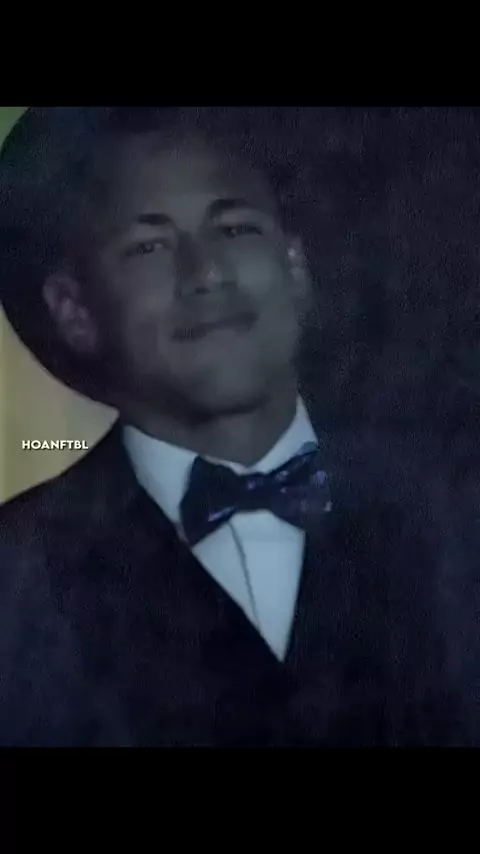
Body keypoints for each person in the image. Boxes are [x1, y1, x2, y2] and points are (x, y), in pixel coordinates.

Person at [0, 107, 456, 747]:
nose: (208, 273)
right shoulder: (15, 573)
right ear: (75, 311)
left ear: (295, 267)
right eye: (149, 247)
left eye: (235, 228)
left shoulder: (454, 512)